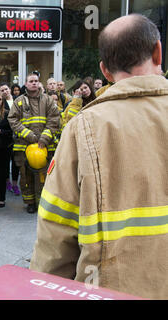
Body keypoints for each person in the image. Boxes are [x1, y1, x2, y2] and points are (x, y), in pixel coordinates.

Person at [30, 14, 168, 300]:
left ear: (104, 70)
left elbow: (56, 234)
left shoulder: (84, 128)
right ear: (158, 51)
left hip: (108, 290)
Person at [7, 73, 60, 214]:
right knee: (26, 177)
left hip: (46, 146)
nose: (34, 83)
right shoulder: (18, 102)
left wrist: (44, 138)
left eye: (36, 81)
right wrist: (29, 135)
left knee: (45, 177)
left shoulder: (48, 100)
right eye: (31, 81)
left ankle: (43, 203)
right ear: (26, 83)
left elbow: (55, 119)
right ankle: (30, 203)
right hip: (24, 147)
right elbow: (13, 120)